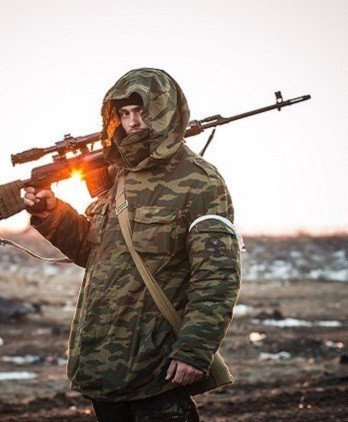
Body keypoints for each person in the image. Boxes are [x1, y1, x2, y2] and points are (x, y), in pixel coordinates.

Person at [22, 68, 241, 421]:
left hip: (157, 367)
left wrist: (194, 350)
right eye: (124, 114)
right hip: (103, 364)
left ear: (164, 111)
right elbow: (93, 252)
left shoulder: (200, 182)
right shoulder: (117, 177)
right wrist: (52, 214)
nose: (133, 122)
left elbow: (218, 276)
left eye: (141, 111)